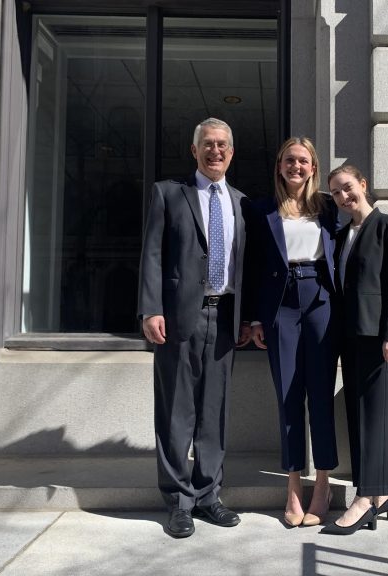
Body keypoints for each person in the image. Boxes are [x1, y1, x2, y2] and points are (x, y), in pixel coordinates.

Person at [138, 118, 251, 539]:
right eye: (208, 144)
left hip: (224, 318)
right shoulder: (169, 193)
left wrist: (249, 318)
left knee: (214, 412)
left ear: (231, 152)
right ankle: (178, 501)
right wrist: (150, 308)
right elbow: (151, 253)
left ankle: (208, 496)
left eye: (222, 144)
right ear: (195, 150)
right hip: (178, 317)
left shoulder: (241, 202)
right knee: (175, 411)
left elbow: (247, 266)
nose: (215, 151)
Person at [247, 137, 339, 527]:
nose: (296, 167)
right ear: (279, 166)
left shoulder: (329, 208)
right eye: (289, 160)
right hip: (280, 305)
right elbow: (250, 265)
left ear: (313, 167)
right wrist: (253, 319)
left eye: (303, 161)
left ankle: (323, 484)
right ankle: (293, 487)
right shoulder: (262, 209)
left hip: (321, 300)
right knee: (288, 395)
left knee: (320, 395)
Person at [321, 164, 388, 536]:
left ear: (363, 185)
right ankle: (382, 493)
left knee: (376, 417)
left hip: (378, 339)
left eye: (347, 188)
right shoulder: (343, 234)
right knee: (358, 416)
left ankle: (365, 499)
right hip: (350, 338)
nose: (343, 197)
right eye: (336, 193)